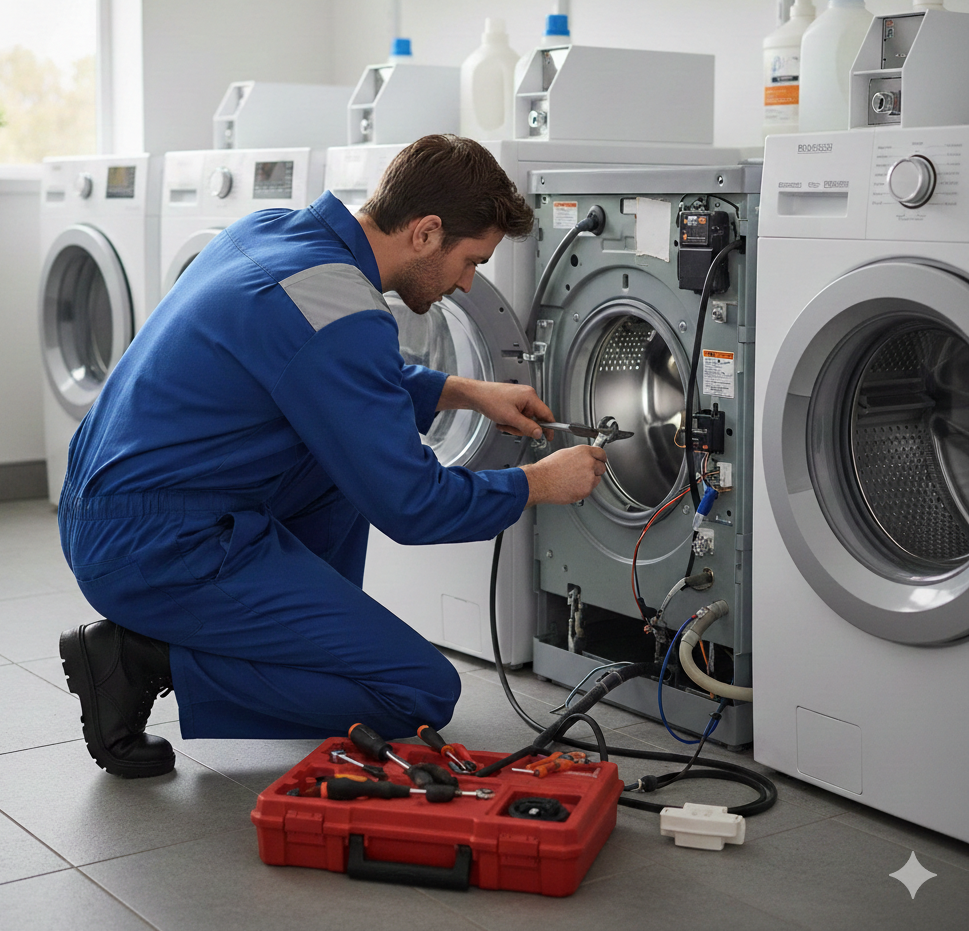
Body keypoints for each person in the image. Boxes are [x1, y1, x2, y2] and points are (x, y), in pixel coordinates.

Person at [58, 134, 606, 778]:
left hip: (113, 505)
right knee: (418, 693)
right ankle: (140, 659)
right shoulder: (346, 310)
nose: (466, 283)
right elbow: (412, 505)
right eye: (470, 261)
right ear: (427, 232)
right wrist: (537, 483)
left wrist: (462, 390)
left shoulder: (273, 230)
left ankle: (298, 646)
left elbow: (331, 380)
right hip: (155, 544)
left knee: (343, 456)